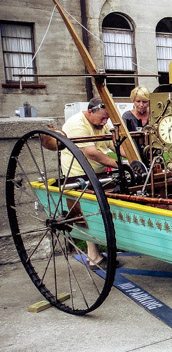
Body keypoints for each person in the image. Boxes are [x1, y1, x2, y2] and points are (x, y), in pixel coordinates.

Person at [61, 97, 121, 270]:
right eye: (102, 118)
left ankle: (99, 251)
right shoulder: (76, 124)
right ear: (90, 112)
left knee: (99, 210)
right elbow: (91, 153)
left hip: (98, 172)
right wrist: (119, 165)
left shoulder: (102, 123)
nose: (105, 122)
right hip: (78, 174)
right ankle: (93, 256)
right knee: (87, 213)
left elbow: (116, 143)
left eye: (107, 118)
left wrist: (134, 159)